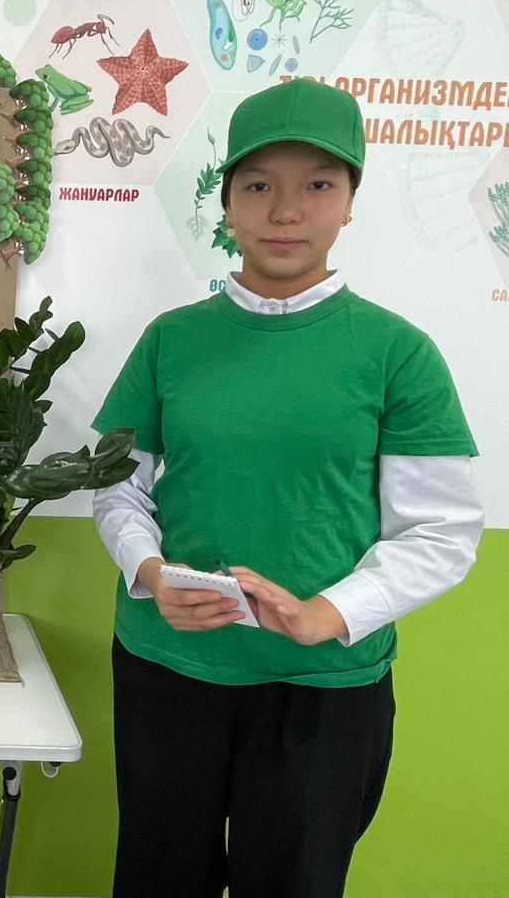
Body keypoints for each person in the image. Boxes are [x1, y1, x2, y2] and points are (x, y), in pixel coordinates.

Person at [91, 78, 483, 898]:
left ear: (350, 203)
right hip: (171, 668)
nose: (286, 211)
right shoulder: (171, 340)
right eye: (259, 185)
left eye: (319, 185)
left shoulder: (398, 354)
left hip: (325, 688)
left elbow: (441, 530)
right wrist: (151, 573)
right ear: (227, 201)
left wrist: (328, 613)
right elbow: (118, 487)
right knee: (158, 878)